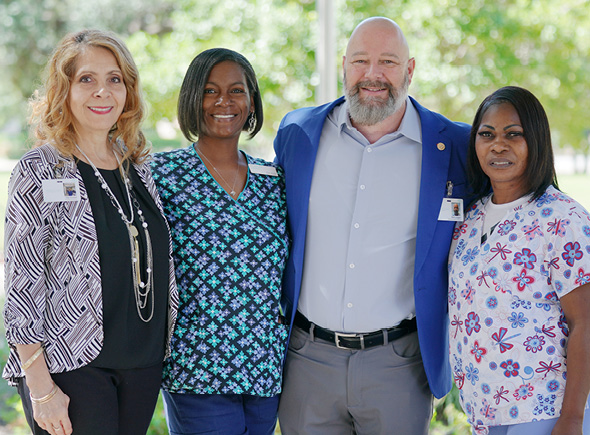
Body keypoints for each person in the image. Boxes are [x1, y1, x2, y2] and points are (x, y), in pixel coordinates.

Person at [274, 17, 470, 434]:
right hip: (307, 360)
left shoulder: (454, 145)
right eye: (361, 60)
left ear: (410, 70)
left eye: (388, 62)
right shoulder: (298, 132)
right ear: (345, 65)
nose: (373, 75)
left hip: (399, 364)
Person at [2, 29, 178, 435]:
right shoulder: (41, 169)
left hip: (143, 364)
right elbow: (23, 285)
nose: (103, 92)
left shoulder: (139, 169)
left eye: (114, 79)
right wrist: (41, 388)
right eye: (87, 79)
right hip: (73, 367)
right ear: (63, 89)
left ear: (128, 91)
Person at [151, 48, 290, 435]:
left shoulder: (273, 180)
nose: (224, 102)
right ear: (193, 99)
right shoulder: (163, 174)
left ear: (251, 101)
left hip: (264, 368)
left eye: (236, 91)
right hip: (197, 367)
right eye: (210, 91)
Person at [448, 86, 590, 435]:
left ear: (537, 142)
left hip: (543, 412)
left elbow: (585, 323)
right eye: (486, 134)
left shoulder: (563, 219)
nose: (498, 145)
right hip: (483, 413)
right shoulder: (467, 219)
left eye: (514, 134)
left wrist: (571, 418)